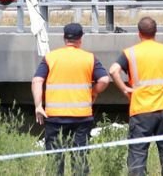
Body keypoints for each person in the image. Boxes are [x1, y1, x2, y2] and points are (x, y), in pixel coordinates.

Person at [108, 16, 163, 176]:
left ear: (139, 33)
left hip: (141, 110)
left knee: (137, 157)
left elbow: (113, 70)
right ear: (155, 32)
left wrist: (125, 89)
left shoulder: (130, 53)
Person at [32, 22, 110, 176]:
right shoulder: (89, 58)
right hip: (81, 117)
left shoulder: (51, 57)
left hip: (55, 117)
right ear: (80, 39)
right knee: (80, 160)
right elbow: (104, 80)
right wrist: (94, 92)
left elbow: (37, 81)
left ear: (64, 38)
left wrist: (38, 106)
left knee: (55, 161)